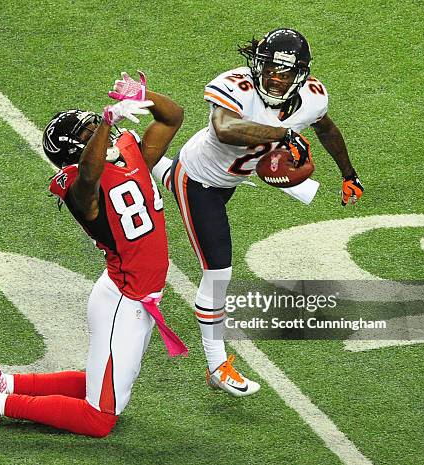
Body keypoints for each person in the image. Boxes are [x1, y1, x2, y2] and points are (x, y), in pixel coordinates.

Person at [0, 74, 186, 437]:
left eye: (93, 127)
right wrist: (105, 123)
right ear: (74, 152)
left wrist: (144, 95)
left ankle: (1, 382)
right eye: (88, 135)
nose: (105, 135)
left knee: (100, 385)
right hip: (124, 300)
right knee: (99, 419)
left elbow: (172, 117)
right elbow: (88, 175)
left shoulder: (131, 156)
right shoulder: (78, 188)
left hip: (132, 295)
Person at [148, 28, 364, 397]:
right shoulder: (236, 86)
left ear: (301, 75)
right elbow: (224, 128)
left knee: (167, 175)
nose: (274, 78)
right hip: (200, 179)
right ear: (257, 65)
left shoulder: (312, 97)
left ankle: (136, 157)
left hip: (230, 179)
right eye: (268, 69)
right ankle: (217, 364)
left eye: (284, 73)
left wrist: (349, 173)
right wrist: (280, 135)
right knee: (218, 272)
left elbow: (326, 128)